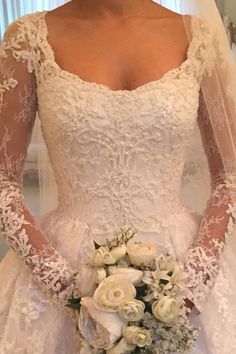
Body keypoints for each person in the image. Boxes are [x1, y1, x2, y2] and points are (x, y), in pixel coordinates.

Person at [0, 0, 236, 353]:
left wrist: (197, 275)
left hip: (181, 269)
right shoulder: (29, 38)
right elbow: (4, 180)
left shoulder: (197, 37)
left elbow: (229, 176)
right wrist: (62, 284)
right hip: (62, 268)